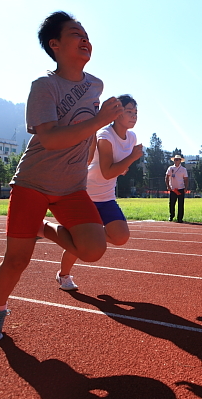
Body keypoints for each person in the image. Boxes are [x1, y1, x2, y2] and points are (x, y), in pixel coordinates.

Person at [0, 11, 123, 343]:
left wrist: (90, 150)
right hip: (34, 181)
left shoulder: (95, 85)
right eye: (76, 33)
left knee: (93, 249)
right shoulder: (43, 87)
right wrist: (100, 120)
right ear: (54, 44)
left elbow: (86, 131)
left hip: (71, 187)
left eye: (87, 34)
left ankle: (43, 229)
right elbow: (52, 138)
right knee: (16, 260)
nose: (85, 39)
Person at [56, 95, 144, 290]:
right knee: (82, 244)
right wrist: (132, 158)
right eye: (129, 111)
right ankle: (63, 276)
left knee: (121, 237)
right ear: (117, 114)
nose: (134, 116)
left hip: (106, 197)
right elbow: (106, 172)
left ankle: (89, 235)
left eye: (136, 112)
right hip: (86, 194)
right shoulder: (105, 136)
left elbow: (116, 168)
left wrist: (124, 167)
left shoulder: (131, 137)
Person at [165, 155, 189, 222]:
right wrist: (168, 186)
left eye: (177, 159)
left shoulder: (183, 169)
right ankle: (171, 216)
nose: (176, 161)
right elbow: (167, 177)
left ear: (180, 161)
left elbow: (186, 179)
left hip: (181, 188)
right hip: (173, 189)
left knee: (180, 204)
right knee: (172, 203)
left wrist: (186, 188)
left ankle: (180, 218)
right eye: (175, 159)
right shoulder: (170, 168)